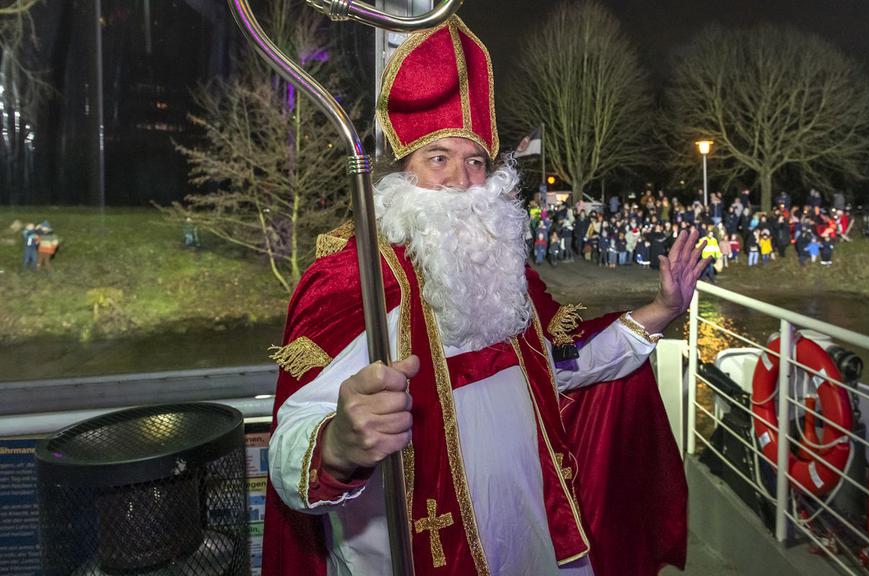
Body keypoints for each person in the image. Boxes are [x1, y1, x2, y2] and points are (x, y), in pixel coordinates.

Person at [262, 17, 701, 576]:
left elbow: (561, 367)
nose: (462, 180)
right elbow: (290, 442)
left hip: (529, 540)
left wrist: (660, 310)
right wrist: (338, 448)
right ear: (403, 173)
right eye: (438, 158)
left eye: (475, 161)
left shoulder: (503, 274)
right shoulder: (356, 279)